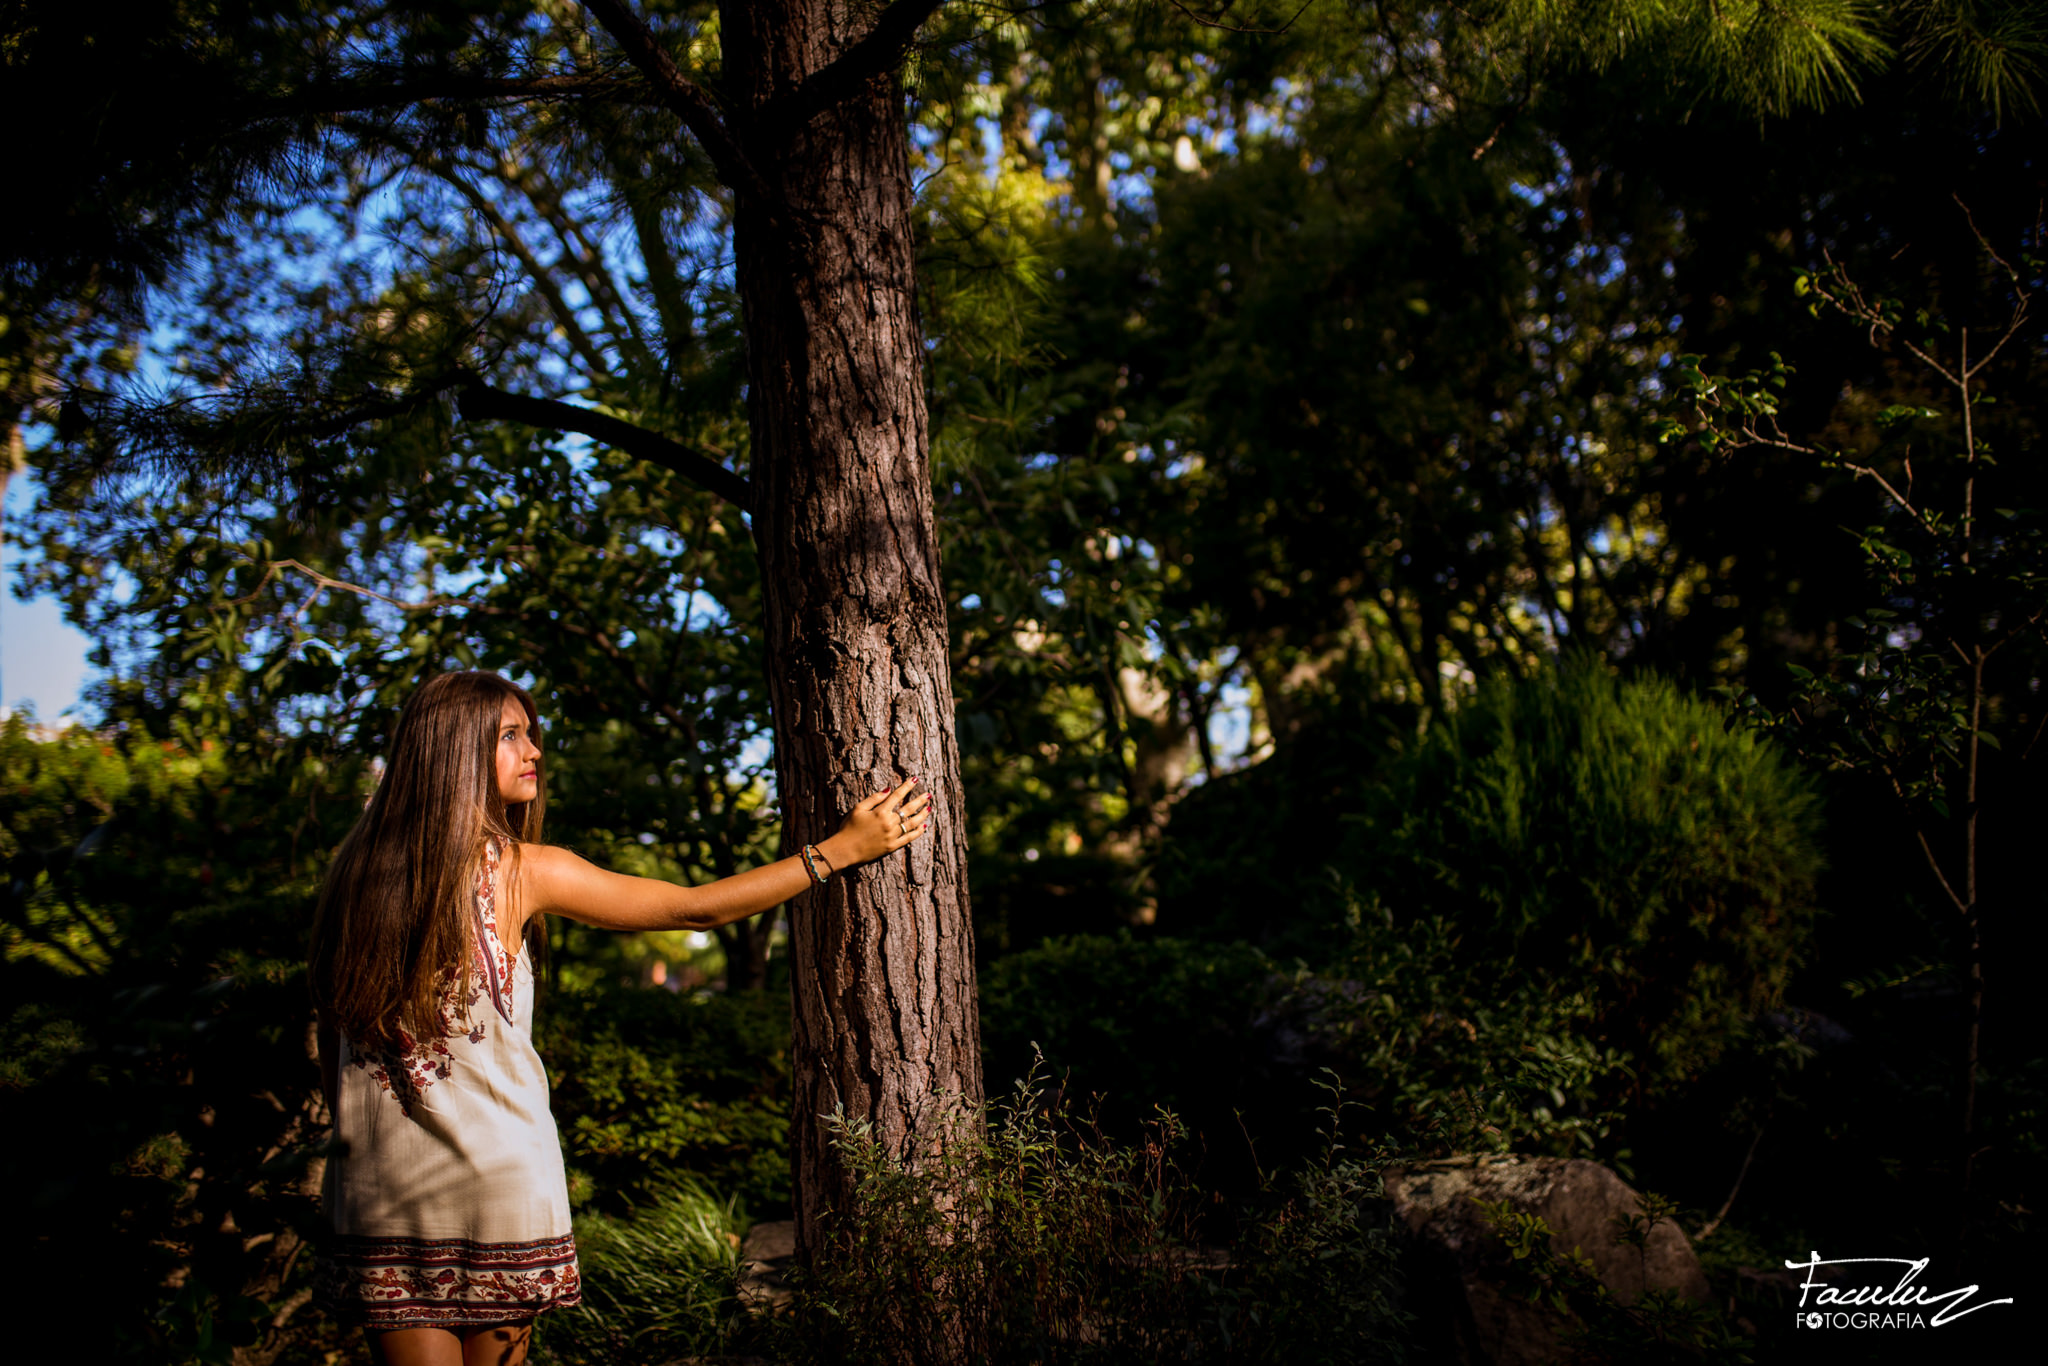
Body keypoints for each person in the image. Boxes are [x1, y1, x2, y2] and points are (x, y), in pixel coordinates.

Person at [308, 670, 930, 1366]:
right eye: (511, 735)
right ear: (455, 751)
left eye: (530, 733)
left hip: (392, 1192)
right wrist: (839, 851)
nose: (535, 749)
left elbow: (331, 1052)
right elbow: (693, 907)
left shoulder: (355, 875)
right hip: (471, 1189)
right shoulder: (511, 870)